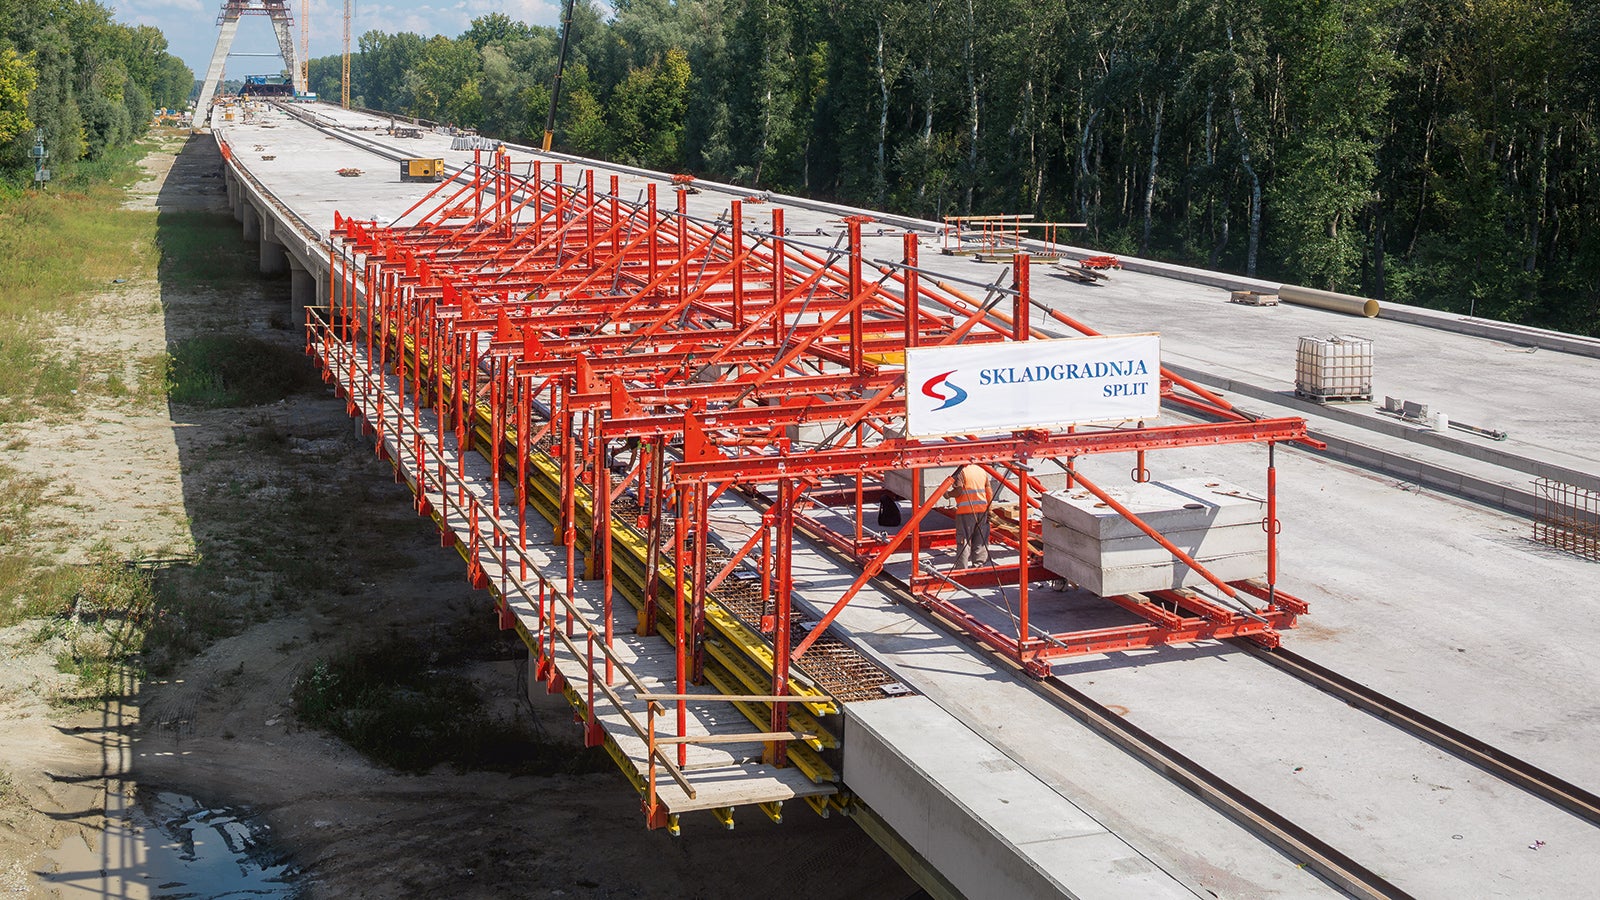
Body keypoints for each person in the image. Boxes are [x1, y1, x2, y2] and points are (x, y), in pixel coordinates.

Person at [947, 463, 992, 569]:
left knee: (964, 540)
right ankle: (979, 565)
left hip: (965, 512)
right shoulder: (981, 471)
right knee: (980, 538)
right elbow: (988, 491)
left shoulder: (962, 471)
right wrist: (989, 509)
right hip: (982, 510)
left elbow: (958, 490)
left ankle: (962, 568)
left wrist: (948, 494)